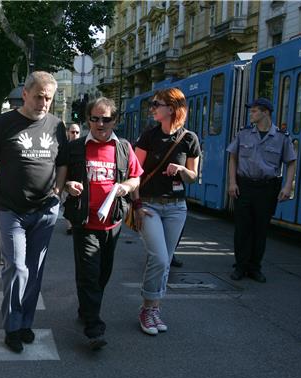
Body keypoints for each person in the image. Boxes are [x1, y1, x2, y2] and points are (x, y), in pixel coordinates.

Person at [0, 71, 68, 353]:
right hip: (10, 209)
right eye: (39, 96)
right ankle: (12, 326)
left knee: (35, 270)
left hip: (44, 210)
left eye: (48, 98)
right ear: (25, 94)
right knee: (16, 266)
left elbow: (62, 162)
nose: (43, 102)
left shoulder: (56, 125)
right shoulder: (4, 123)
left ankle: (26, 322)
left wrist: (58, 191)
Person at [64, 97, 142, 350]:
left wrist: (125, 187)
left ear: (115, 120)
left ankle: (86, 308)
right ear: (87, 120)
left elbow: (136, 178)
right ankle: (94, 327)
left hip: (113, 222)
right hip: (84, 222)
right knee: (89, 272)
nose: (100, 124)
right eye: (94, 118)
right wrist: (68, 185)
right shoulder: (76, 147)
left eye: (106, 119)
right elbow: (61, 178)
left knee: (102, 273)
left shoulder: (124, 147)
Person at [130, 88, 201, 336]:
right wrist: (136, 204)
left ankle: (153, 308)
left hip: (176, 208)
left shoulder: (189, 138)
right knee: (159, 257)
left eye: (155, 104)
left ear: (171, 108)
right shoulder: (148, 137)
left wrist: (180, 170)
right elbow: (134, 174)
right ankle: (147, 309)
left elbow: (193, 176)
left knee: (165, 260)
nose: (152, 109)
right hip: (149, 205)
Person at [227, 97, 296, 283]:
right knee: (242, 229)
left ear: (266, 112)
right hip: (245, 186)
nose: (251, 114)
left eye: (254, 111)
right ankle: (240, 267)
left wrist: (288, 185)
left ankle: (255, 268)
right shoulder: (244, 134)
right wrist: (232, 182)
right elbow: (233, 157)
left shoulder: (282, 137)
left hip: (267, 188)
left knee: (260, 229)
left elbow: (291, 162)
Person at [64, 123, 81, 234]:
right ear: (68, 133)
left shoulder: (83, 146)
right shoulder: (64, 147)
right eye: (72, 132)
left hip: (77, 179)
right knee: (66, 201)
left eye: (77, 132)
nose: (74, 134)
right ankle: (69, 226)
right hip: (66, 179)